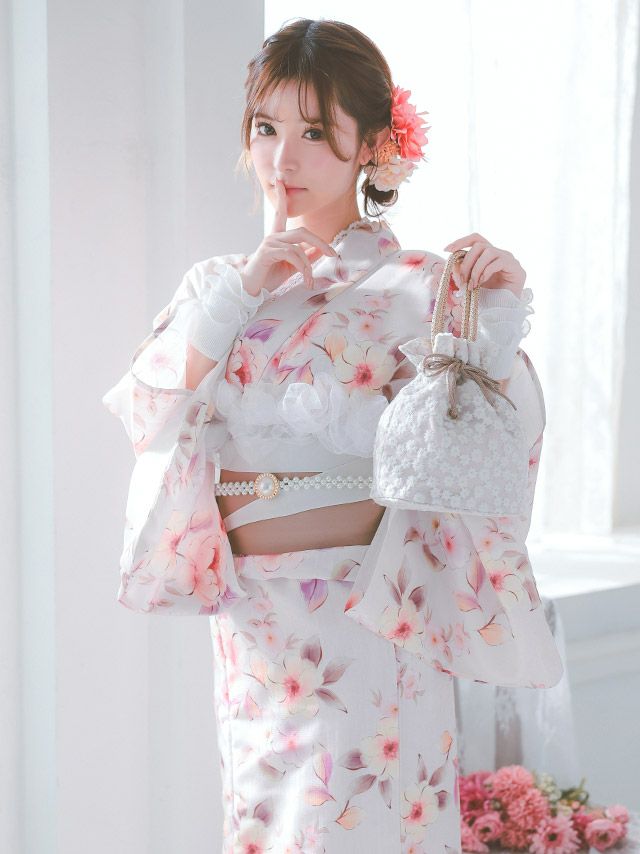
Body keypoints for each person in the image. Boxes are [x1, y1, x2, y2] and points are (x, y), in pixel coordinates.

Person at [102, 18, 563, 853]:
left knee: (358, 823)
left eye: (315, 132)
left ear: (373, 147)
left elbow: (492, 444)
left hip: (372, 611)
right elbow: (149, 406)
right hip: (257, 624)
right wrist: (245, 292)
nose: (283, 156)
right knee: (267, 823)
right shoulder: (220, 286)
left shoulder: (420, 285)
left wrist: (495, 317)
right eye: (266, 127)